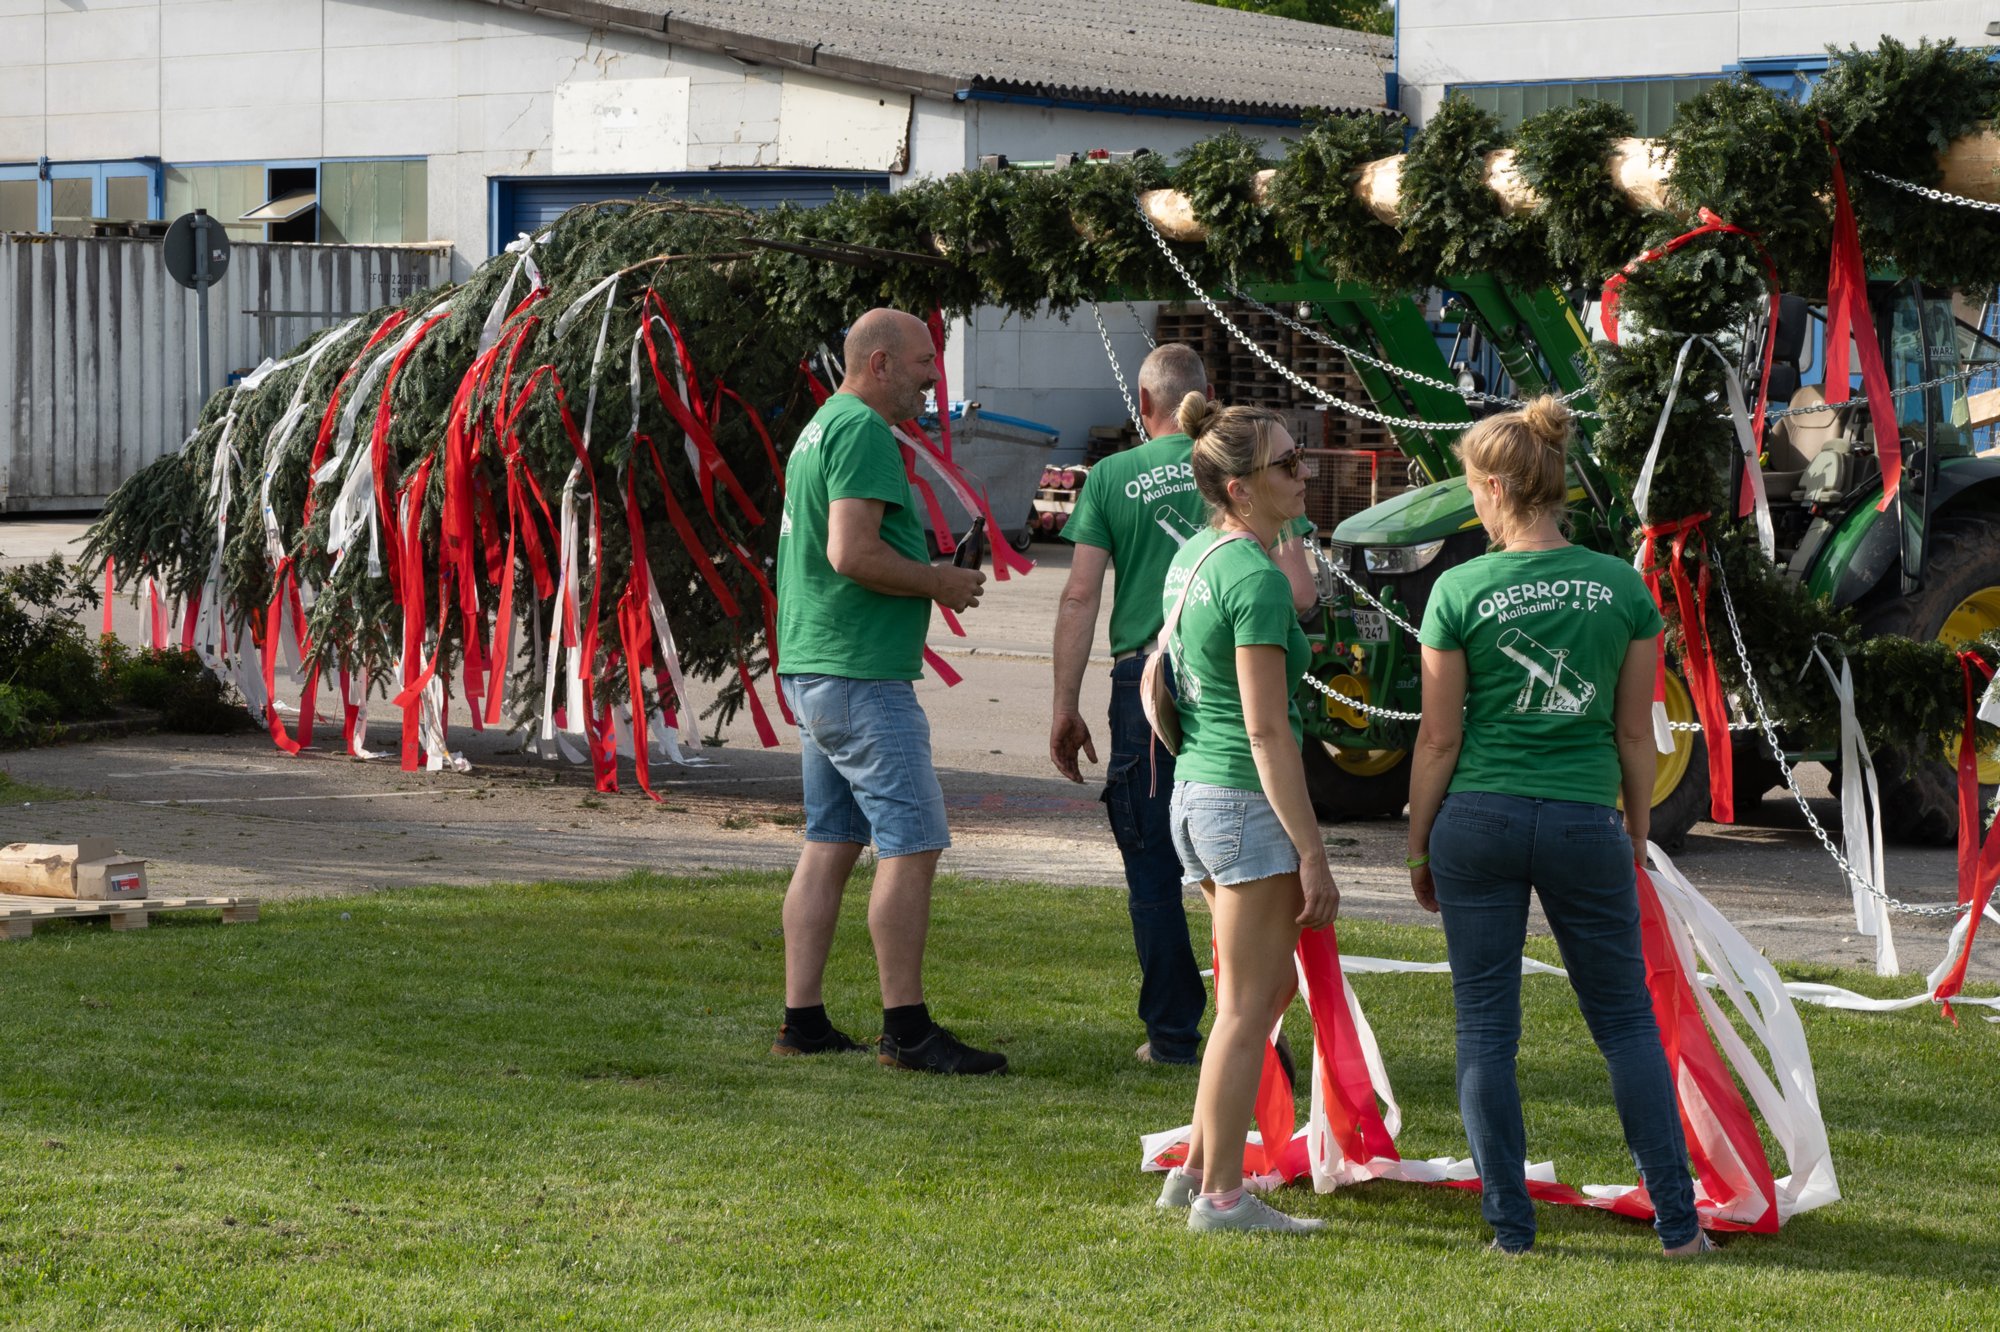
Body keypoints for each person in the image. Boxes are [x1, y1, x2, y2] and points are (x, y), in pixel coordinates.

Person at [1406, 396, 1710, 1256]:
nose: (1471, 500)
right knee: (1624, 1023)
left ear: (1498, 487)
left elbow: (1438, 737)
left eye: (1471, 485)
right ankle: (1679, 1229)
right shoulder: (1620, 584)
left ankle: (1511, 1228)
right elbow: (1632, 733)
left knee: (1486, 1029)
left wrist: (1417, 843)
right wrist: (1639, 834)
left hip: (1479, 819)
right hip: (1585, 821)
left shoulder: (1458, 588)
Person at [1051, 346, 1316, 1066]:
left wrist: (1064, 702)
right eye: (1292, 465)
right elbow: (1299, 598)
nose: (1300, 474)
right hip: (1231, 704)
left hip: (1154, 687)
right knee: (1248, 908)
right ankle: (1254, 1040)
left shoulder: (1112, 477)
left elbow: (1080, 595)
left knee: (1153, 870)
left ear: (1143, 405)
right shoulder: (1253, 494)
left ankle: (1175, 1033)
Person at [771, 308, 1006, 1076]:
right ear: (878, 363)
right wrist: (939, 580)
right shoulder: (865, 431)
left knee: (830, 841)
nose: (932, 380)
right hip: (859, 673)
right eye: (922, 365)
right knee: (913, 842)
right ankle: (907, 1030)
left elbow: (847, 545)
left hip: (819, 667)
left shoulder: (824, 425)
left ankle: (802, 1020)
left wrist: (930, 566)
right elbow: (850, 551)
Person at [1146, 395, 1340, 1234]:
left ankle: (1195, 1172)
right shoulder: (1253, 577)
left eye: (1303, 459)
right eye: (1288, 466)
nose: (1307, 475)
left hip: (1198, 792)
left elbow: (1160, 682)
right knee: (1245, 1006)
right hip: (1240, 799)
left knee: (1255, 995)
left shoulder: (1197, 556)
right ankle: (1223, 1198)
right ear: (1238, 487)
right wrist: (1312, 852)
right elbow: (1267, 730)